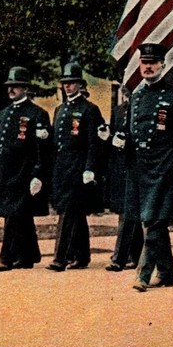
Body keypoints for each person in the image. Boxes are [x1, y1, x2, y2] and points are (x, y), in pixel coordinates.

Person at [119, 43, 173, 292]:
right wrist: (121, 141)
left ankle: (143, 275)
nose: (148, 67)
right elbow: (130, 131)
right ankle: (166, 273)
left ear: (163, 64)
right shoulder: (137, 96)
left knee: (153, 220)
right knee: (153, 220)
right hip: (139, 168)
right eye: (144, 63)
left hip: (165, 167)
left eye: (153, 63)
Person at [0, 66, 51, 271]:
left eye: (15, 86)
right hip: (5, 173)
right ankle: (28, 255)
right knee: (19, 215)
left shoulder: (37, 114)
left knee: (15, 215)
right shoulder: (3, 114)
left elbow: (42, 149)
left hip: (24, 172)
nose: (11, 90)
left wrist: (38, 174)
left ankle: (5, 258)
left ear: (25, 88)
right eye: (9, 86)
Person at [47, 62, 104, 272]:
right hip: (61, 169)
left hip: (78, 168)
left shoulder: (89, 110)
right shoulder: (60, 110)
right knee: (75, 213)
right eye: (65, 83)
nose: (68, 87)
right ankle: (81, 256)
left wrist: (90, 168)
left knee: (69, 213)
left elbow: (93, 143)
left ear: (80, 85)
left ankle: (60, 258)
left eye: (72, 83)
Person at [104, 86, 143, 271]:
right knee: (125, 212)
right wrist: (110, 138)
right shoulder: (118, 110)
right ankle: (130, 255)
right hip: (121, 165)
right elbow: (114, 135)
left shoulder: (143, 107)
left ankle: (126, 255)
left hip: (139, 164)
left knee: (131, 213)